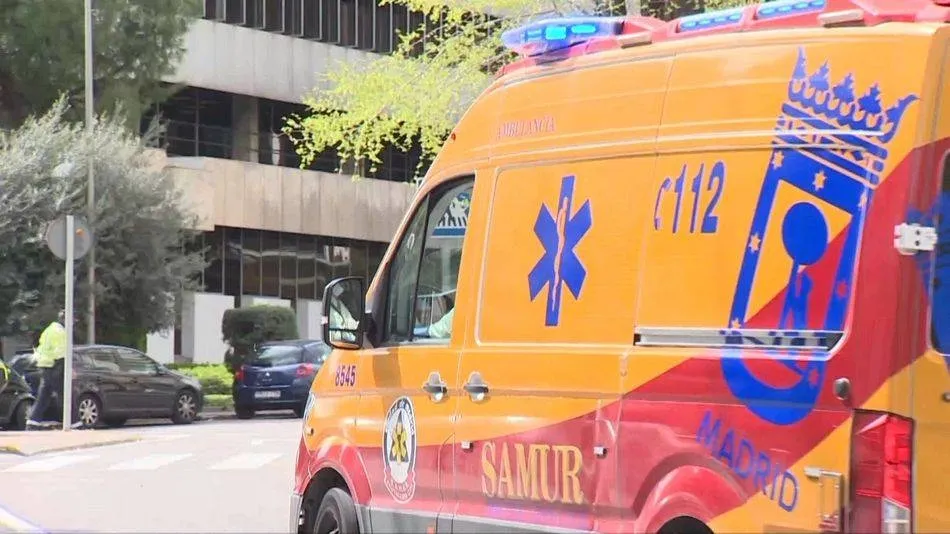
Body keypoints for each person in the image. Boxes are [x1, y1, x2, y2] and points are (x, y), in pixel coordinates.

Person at [26, 310, 67, 429]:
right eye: (72, 320)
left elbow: (41, 347)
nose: (73, 323)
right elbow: (61, 352)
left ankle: (33, 422)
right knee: (66, 395)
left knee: (44, 395)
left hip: (44, 366)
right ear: (65, 319)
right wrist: (66, 368)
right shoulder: (60, 332)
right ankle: (75, 422)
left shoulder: (49, 330)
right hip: (55, 366)